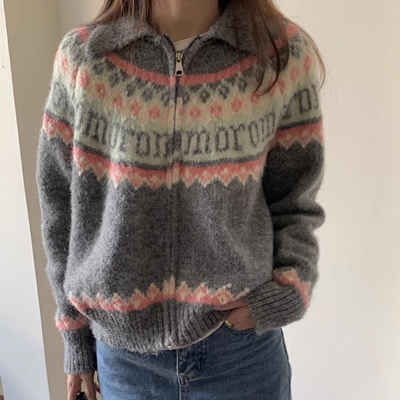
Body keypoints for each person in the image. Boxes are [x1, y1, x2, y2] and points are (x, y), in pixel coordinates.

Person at [36, 0, 326, 399]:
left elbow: (295, 199)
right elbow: (59, 208)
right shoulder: (85, 59)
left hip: (240, 355)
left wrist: (289, 290)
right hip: (126, 363)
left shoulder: (281, 56)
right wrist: (75, 335)